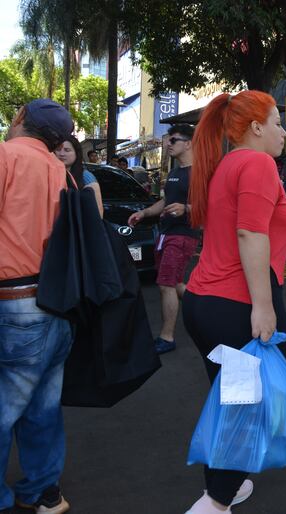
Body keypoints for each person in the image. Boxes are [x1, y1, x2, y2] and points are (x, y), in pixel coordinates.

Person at [182, 91, 286, 514]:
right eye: (277, 121)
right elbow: (251, 233)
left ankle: (225, 486)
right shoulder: (257, 162)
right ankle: (215, 502)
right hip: (235, 303)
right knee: (254, 407)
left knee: (236, 402)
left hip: (206, 302)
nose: (283, 131)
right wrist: (263, 307)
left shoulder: (227, 164)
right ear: (257, 127)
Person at [0, 99, 75, 514]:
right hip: (56, 305)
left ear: (19, 120)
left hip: (13, 303)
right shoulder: (60, 171)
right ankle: (46, 492)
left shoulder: (5, 156)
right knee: (43, 406)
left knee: (5, 407)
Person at [127, 124, 200, 354]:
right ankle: (205, 308)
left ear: (188, 143)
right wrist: (144, 213)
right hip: (166, 234)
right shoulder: (175, 173)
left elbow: (212, 206)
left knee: (166, 284)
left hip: (183, 235)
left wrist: (187, 208)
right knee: (175, 282)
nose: (168, 143)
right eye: (168, 139)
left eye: (173, 140)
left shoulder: (200, 172)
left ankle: (167, 338)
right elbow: (165, 202)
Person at [54, 135, 104, 217]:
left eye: (67, 150)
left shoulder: (86, 177)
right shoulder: (52, 174)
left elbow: (98, 213)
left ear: (76, 153)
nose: (62, 154)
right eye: (58, 150)